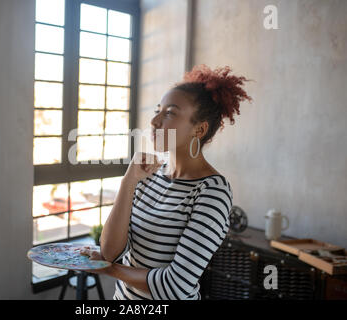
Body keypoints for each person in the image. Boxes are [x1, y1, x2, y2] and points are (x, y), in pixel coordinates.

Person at [81, 64, 253, 300]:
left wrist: (108, 269)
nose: (154, 121)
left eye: (170, 113)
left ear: (199, 130)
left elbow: (176, 286)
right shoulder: (147, 176)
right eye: (157, 110)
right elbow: (109, 251)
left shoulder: (212, 192)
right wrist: (128, 182)